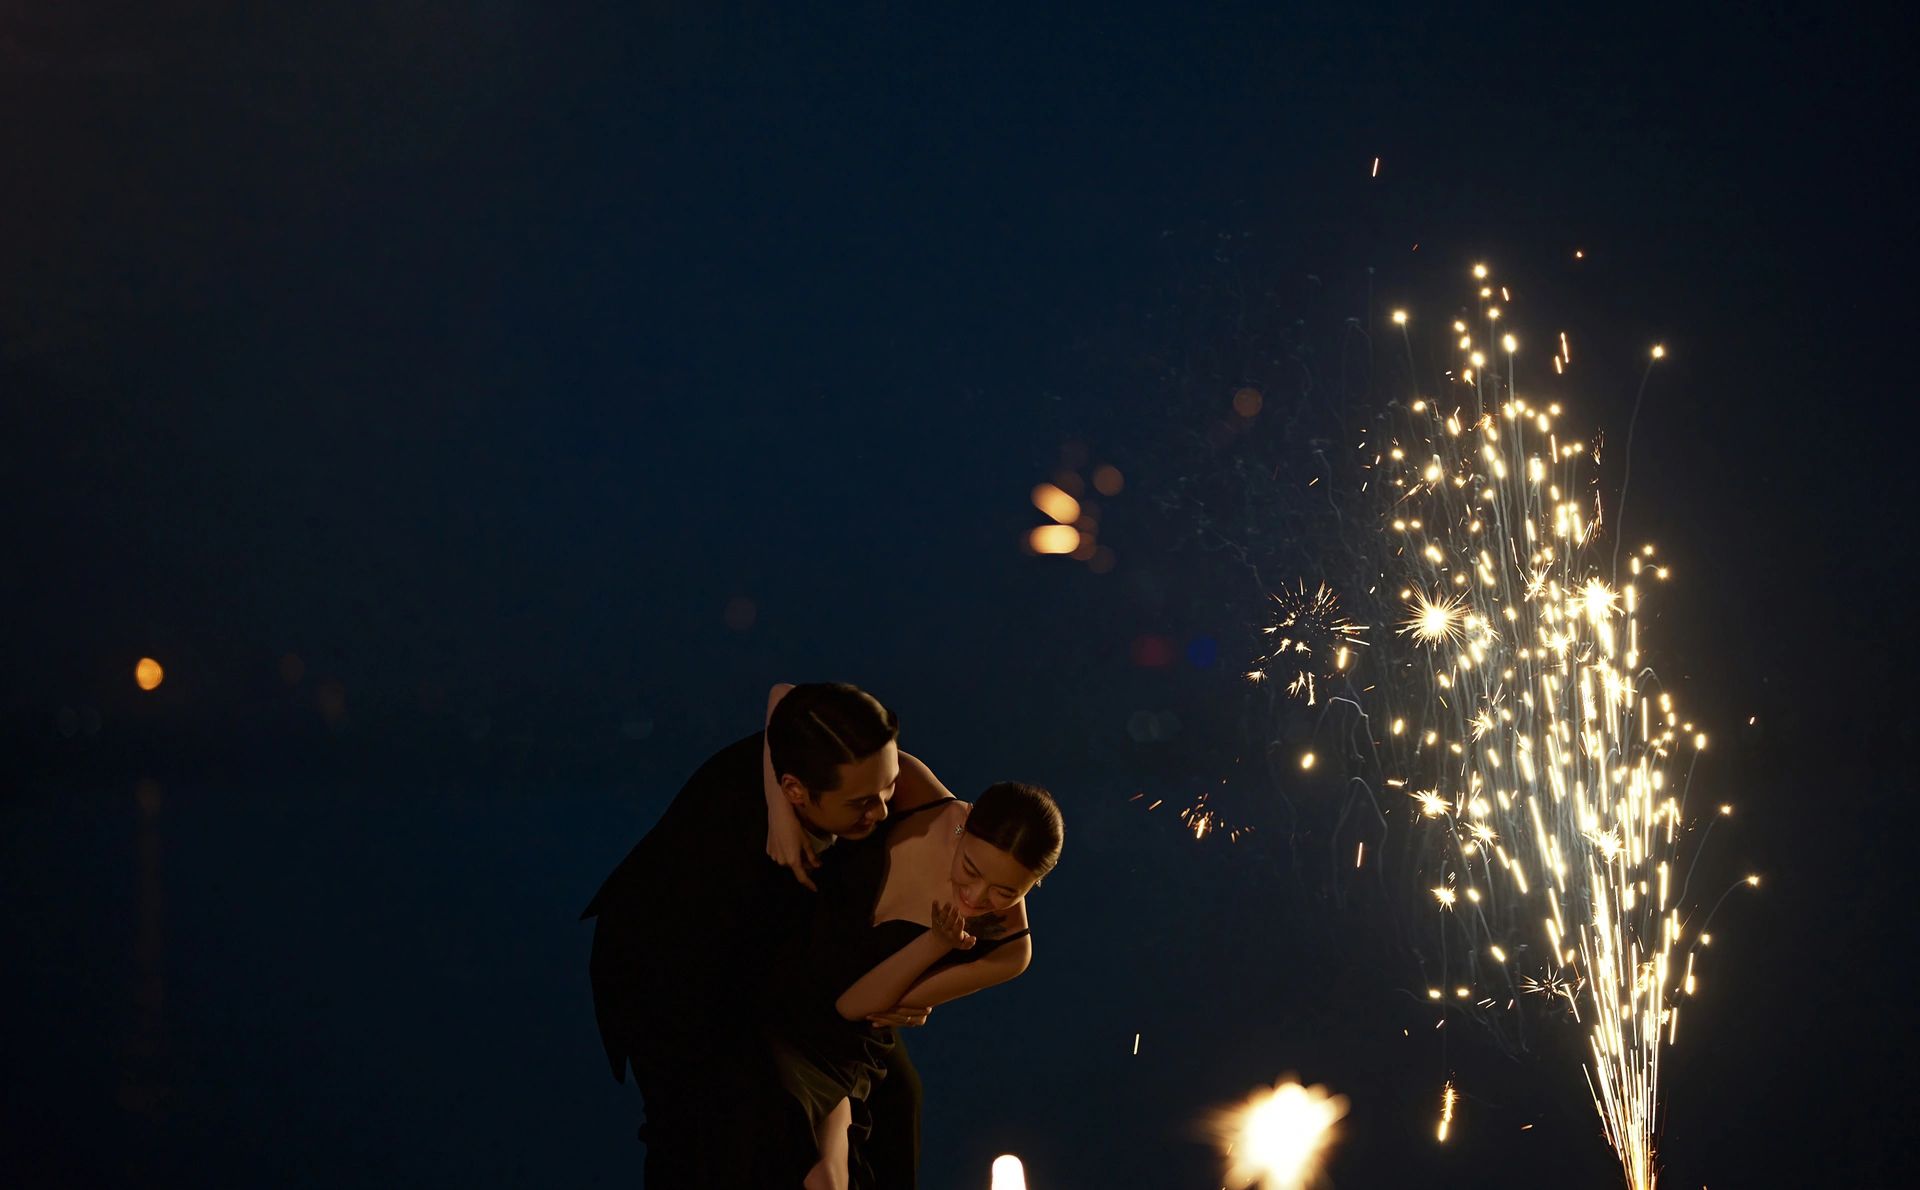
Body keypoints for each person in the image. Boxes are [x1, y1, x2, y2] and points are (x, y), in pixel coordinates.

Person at [580, 682, 949, 1187]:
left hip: (785, 957)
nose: (882, 811)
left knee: (898, 1095)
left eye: (887, 787)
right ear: (796, 788)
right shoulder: (729, 852)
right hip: (671, 972)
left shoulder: (812, 742)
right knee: (729, 1127)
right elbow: (735, 980)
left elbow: (784, 692)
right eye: (862, 802)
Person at [762, 750, 1065, 1190]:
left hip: (838, 1029)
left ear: (1034, 884)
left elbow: (855, 1009)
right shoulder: (917, 791)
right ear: (966, 822)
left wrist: (934, 945)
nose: (976, 897)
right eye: (970, 868)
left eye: (1005, 891)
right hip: (777, 950)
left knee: (849, 1152)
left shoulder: (1008, 952)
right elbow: (789, 707)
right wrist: (781, 816)